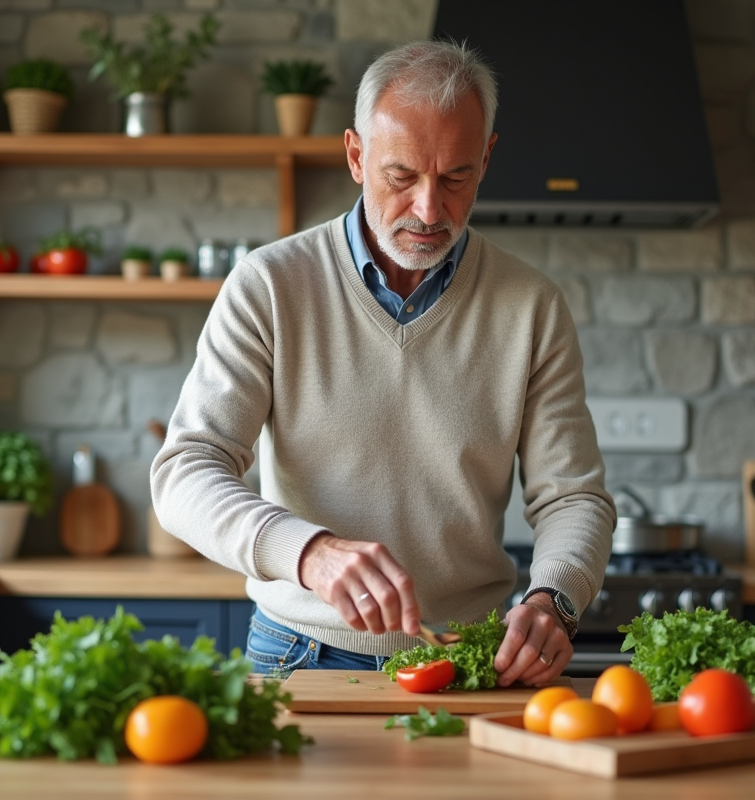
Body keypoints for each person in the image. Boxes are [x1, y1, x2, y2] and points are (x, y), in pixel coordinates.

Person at [151, 39, 614, 687]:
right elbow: (184, 473)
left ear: (486, 158)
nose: (429, 210)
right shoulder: (269, 286)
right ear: (356, 155)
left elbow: (573, 496)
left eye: (455, 178)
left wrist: (553, 600)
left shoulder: (532, 306)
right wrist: (309, 553)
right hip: (299, 651)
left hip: (467, 656)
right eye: (402, 177)